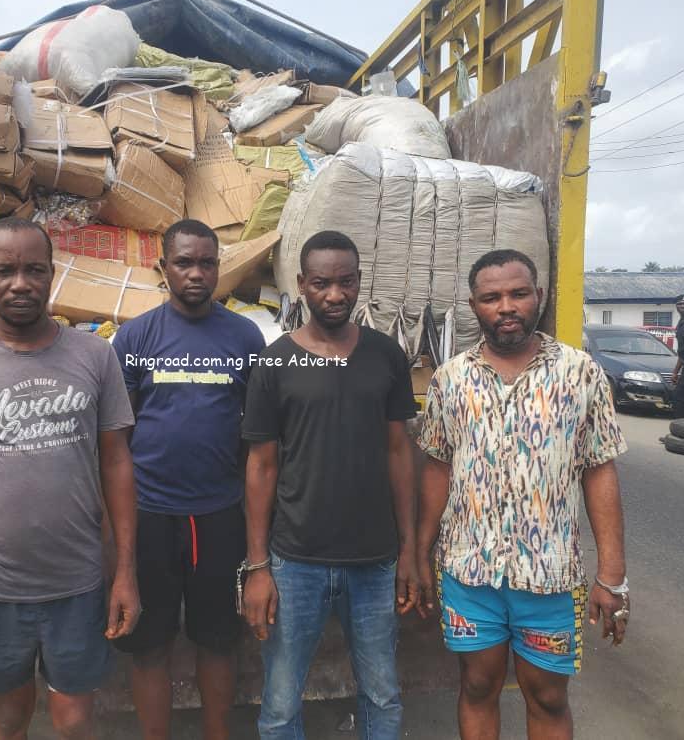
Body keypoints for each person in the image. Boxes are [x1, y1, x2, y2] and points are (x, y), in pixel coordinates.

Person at [0, 217, 140, 739]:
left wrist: (125, 572)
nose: (20, 283)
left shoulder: (95, 356)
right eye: (4, 271)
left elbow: (117, 463)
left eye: (34, 270)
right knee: (10, 715)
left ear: (51, 273)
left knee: (73, 720)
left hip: (78, 581)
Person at [416, 248, 630, 740]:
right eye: (492, 297)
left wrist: (612, 575)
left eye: (518, 293)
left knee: (548, 697)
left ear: (540, 296)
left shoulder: (580, 373)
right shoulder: (450, 379)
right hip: (468, 573)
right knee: (477, 686)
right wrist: (419, 554)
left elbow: (599, 471)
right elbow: (438, 468)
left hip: (550, 576)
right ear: (474, 306)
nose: (506, 306)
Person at [241, 230, 419, 740]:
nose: (335, 295)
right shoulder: (275, 363)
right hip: (295, 561)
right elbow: (261, 467)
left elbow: (399, 453)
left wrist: (408, 552)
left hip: (375, 562)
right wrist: (258, 566)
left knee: (382, 695)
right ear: (301, 284)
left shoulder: (386, 355)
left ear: (360, 281)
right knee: (280, 704)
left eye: (346, 282)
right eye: (321, 283)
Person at [110, 219, 265, 740]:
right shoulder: (135, 337)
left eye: (207, 263)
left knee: (218, 640)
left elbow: (254, 433)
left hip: (219, 514)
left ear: (218, 268)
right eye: (184, 262)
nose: (196, 273)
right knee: (149, 644)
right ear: (163, 268)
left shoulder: (244, 337)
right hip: (150, 514)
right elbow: (118, 434)